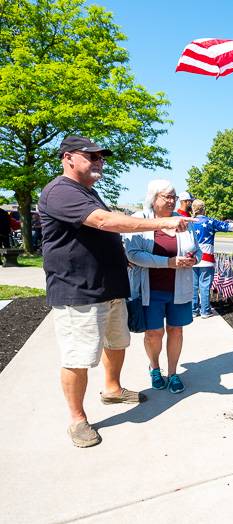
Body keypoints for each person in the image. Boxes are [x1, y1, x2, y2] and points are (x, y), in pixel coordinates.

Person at [39, 135, 194, 448]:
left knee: (117, 343)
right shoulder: (60, 191)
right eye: (92, 156)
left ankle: (112, 389)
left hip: (109, 288)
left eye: (101, 157)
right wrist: (161, 223)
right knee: (78, 357)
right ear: (68, 157)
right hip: (79, 292)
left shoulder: (89, 192)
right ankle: (77, 419)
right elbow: (106, 222)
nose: (99, 162)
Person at [124, 180, 201, 395]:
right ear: (153, 198)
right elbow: (133, 254)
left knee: (176, 330)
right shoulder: (140, 221)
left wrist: (193, 259)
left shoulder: (184, 222)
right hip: (151, 289)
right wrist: (167, 262)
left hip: (179, 288)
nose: (171, 201)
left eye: (174, 196)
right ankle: (155, 367)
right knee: (154, 334)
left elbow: (199, 252)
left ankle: (174, 373)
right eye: (166, 196)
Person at [190, 199, 233, 318]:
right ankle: (205, 311)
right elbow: (229, 226)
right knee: (204, 286)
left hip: (192, 259)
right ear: (204, 208)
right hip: (206, 259)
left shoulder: (190, 222)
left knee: (194, 286)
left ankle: (193, 311)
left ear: (193, 209)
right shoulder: (210, 221)